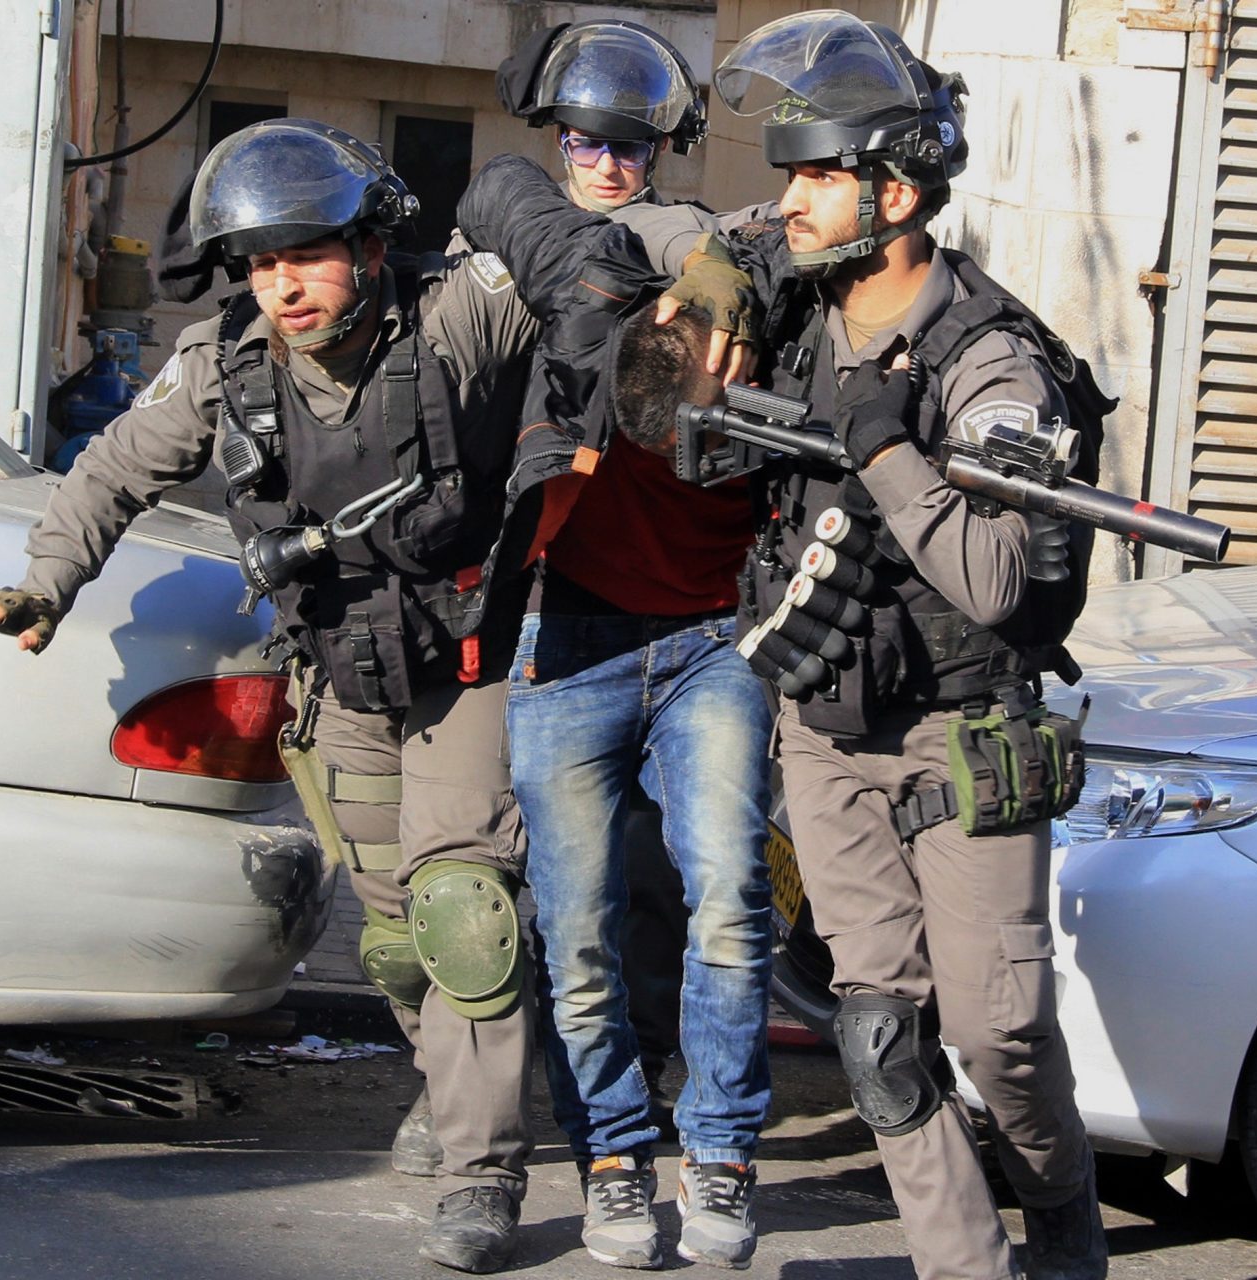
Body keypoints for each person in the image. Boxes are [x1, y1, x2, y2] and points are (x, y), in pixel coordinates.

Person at [0, 119, 540, 1275]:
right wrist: (43, 584)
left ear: (368, 245)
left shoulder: (458, 314)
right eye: (262, 264)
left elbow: (607, 267)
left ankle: (483, 1166)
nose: (284, 285)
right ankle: (453, 1080)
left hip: (467, 666)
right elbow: (115, 466)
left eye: (306, 255)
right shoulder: (228, 359)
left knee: (464, 908)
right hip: (340, 674)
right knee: (399, 940)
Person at [707, 12, 1111, 1280]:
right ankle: (965, 1265)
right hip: (825, 727)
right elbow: (663, 360)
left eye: (818, 174)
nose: (792, 201)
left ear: (898, 186)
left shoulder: (990, 361)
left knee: (1001, 1038)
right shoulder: (794, 309)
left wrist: (885, 448)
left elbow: (999, 579)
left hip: (963, 729)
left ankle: (1060, 1208)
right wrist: (705, 290)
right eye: (790, 175)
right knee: (880, 1034)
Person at [455, 145, 774, 1272]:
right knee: (575, 925)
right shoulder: (599, 292)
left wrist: (731, 261)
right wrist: (682, 255)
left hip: (715, 644)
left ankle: (724, 1148)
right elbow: (496, 186)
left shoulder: (774, 323)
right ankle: (612, 1154)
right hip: (572, 637)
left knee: (730, 899)